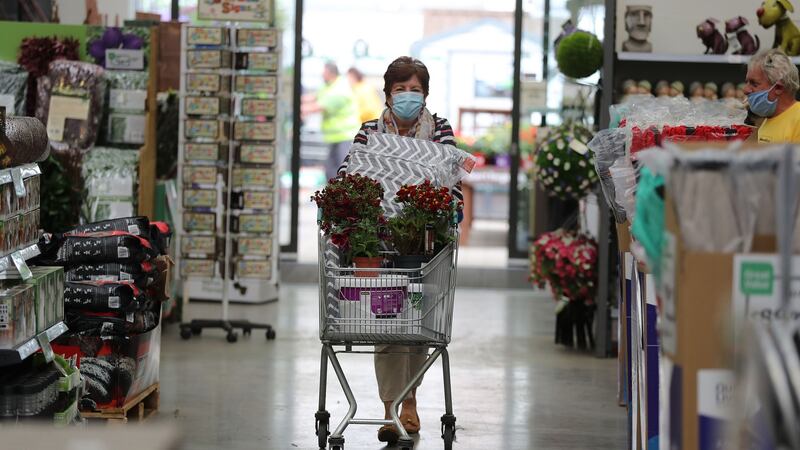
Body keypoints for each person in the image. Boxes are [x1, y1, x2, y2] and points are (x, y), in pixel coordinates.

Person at [338, 56, 462, 445]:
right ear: (388, 94)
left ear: (425, 94)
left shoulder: (439, 129)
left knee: (419, 325)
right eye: (400, 89)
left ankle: (410, 397)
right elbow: (349, 173)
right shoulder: (368, 132)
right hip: (381, 242)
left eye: (415, 90)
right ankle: (394, 407)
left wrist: (448, 206)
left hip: (425, 241)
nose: (408, 96)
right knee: (387, 325)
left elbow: (452, 175)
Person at [301, 61, 361, 180]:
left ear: (330, 73)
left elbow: (319, 106)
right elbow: (315, 97)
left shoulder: (340, 89)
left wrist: (301, 108)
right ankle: (335, 195)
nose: (321, 75)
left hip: (345, 136)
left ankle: (346, 196)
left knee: (342, 171)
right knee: (330, 170)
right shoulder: (329, 86)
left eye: (323, 72)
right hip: (337, 137)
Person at [743, 48, 800, 143]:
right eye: (747, 82)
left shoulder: (797, 121)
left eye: (754, 84)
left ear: (778, 88)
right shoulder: (767, 119)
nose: (745, 90)